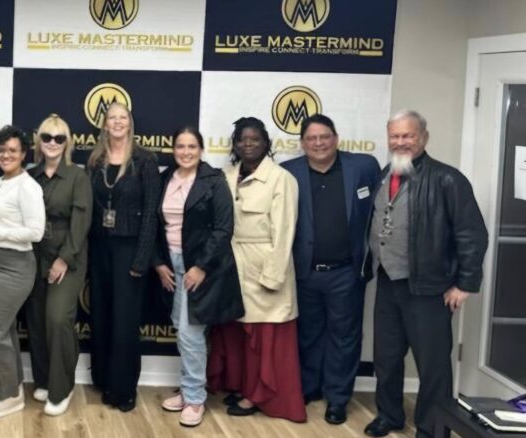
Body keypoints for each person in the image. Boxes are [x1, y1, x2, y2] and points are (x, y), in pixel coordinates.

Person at [363, 110, 487, 438]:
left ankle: (432, 427)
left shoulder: (448, 179)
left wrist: (465, 283)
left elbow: (472, 234)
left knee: (432, 365)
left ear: (424, 138)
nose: (401, 142)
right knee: (386, 358)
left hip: (429, 288)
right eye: (395, 136)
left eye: (409, 136)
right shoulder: (385, 173)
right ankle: (389, 415)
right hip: (388, 283)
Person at [280, 114, 381, 425]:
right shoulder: (288, 172)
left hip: (346, 272)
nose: (319, 143)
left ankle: (337, 398)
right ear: (302, 144)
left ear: (336, 138)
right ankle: (310, 388)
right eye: (311, 138)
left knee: (344, 336)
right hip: (304, 272)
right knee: (308, 334)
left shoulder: (363, 167)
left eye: (324, 137)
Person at [207, 117, 306, 423]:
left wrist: (273, 277)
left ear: (266, 143)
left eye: (254, 139)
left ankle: (259, 394)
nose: (248, 144)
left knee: (264, 335)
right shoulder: (225, 176)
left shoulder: (281, 179)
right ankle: (241, 385)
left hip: (264, 266)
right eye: (242, 139)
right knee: (235, 333)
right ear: (235, 144)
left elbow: (285, 232)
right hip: (231, 266)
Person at [153, 127, 244, 427]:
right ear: (173, 149)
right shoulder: (166, 177)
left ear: (201, 150)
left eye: (192, 146)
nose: (186, 152)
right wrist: (160, 263)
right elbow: (156, 224)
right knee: (182, 328)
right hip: (173, 263)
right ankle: (189, 389)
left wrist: (200, 267)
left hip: (202, 268)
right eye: (180, 146)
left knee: (190, 334)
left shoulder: (214, 180)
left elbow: (223, 228)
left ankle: (194, 398)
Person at [86, 102, 160, 412]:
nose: (117, 122)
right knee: (102, 315)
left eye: (123, 118)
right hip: (100, 248)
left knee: (125, 321)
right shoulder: (95, 160)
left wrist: (142, 258)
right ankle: (103, 379)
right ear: (104, 125)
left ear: (130, 124)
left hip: (130, 249)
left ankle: (124, 388)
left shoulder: (146, 160)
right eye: (111, 118)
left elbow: (151, 215)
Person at [24, 114, 92, 416]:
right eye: (47, 137)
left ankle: (61, 388)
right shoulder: (29, 175)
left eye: (59, 138)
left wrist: (64, 258)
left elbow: (81, 223)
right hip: (34, 254)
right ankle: (43, 379)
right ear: (39, 142)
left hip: (68, 256)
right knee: (37, 321)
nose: (52, 143)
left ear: (67, 143)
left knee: (57, 319)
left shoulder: (78, 177)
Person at [0, 124, 46, 419]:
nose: (6, 155)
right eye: (1, 150)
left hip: (14, 266)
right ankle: (12, 387)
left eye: (12, 150)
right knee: (1, 331)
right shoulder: (2, 180)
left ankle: (5, 397)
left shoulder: (28, 186)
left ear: (24, 154)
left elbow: (36, 232)